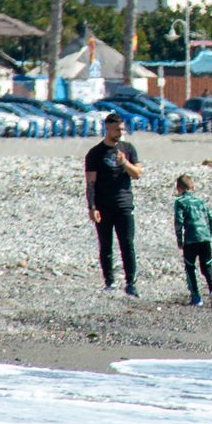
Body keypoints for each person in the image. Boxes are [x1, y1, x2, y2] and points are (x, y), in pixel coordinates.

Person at [84, 112, 143, 296]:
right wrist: (92, 207)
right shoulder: (95, 153)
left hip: (124, 203)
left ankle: (131, 283)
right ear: (107, 128)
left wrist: (124, 162)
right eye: (117, 129)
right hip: (103, 205)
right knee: (105, 245)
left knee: (127, 244)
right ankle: (109, 281)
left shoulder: (128, 148)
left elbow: (137, 174)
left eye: (122, 129)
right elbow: (90, 183)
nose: (120, 132)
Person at [173, 175, 212, 308]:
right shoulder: (200, 201)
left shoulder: (180, 202)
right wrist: (208, 234)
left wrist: (179, 239)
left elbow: (178, 222)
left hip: (191, 239)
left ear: (178, 189)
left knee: (190, 267)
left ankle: (196, 297)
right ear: (193, 188)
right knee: (207, 265)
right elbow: (211, 219)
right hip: (205, 238)